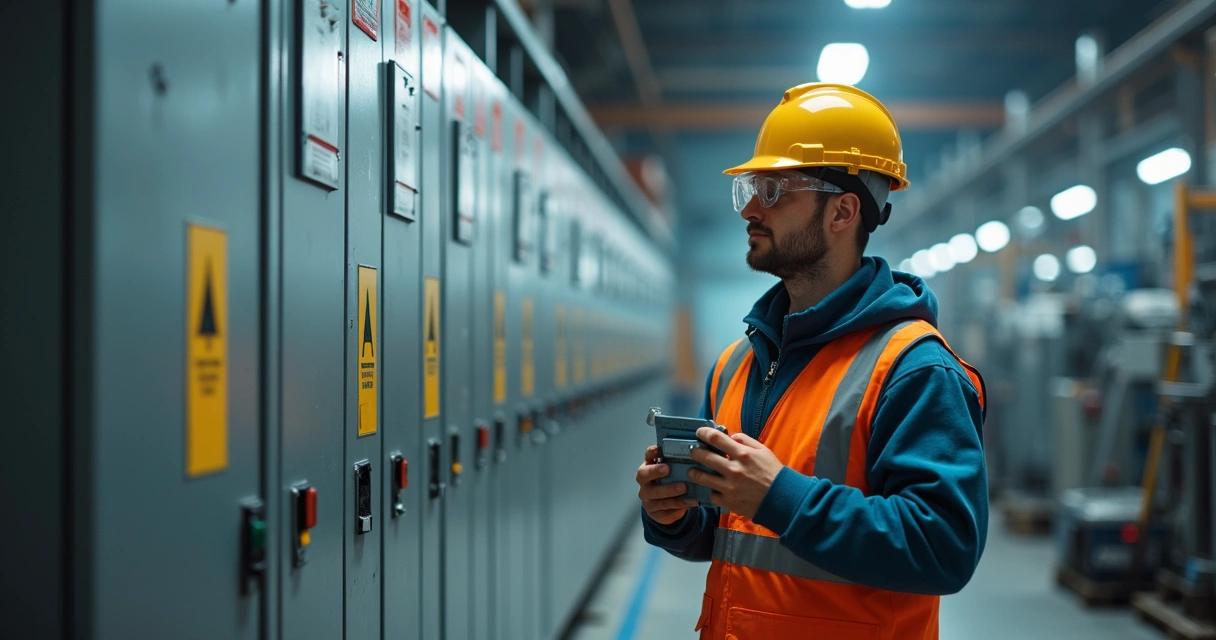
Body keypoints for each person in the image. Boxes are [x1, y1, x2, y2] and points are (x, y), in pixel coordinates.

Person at [635, 83, 988, 639]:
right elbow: (728, 533)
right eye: (752, 188)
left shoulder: (913, 369)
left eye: (774, 190)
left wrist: (779, 495)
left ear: (843, 211)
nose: (751, 208)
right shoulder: (737, 363)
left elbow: (943, 547)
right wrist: (674, 516)